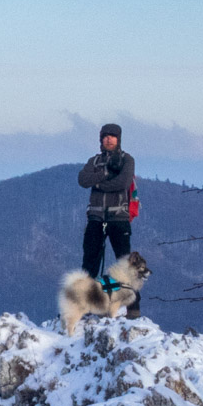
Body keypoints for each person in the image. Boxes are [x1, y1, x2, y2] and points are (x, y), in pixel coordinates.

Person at [77, 123, 139, 290]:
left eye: (112, 136)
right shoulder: (94, 161)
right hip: (96, 218)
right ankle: (85, 303)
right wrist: (106, 173)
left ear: (119, 139)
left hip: (118, 217)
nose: (109, 139)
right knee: (89, 263)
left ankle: (132, 308)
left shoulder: (127, 159)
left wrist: (98, 184)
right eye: (105, 136)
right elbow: (83, 180)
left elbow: (123, 183)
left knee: (125, 263)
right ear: (101, 139)